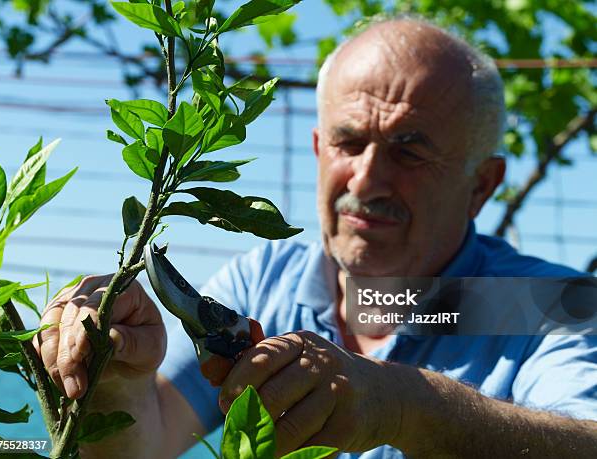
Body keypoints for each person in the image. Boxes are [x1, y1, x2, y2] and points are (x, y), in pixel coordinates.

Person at [34, 17, 597, 458]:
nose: (368, 178)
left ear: (482, 184)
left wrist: (402, 406)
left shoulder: (549, 305)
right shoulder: (262, 282)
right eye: (348, 143)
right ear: (318, 149)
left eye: (410, 150)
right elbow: (146, 444)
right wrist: (117, 380)